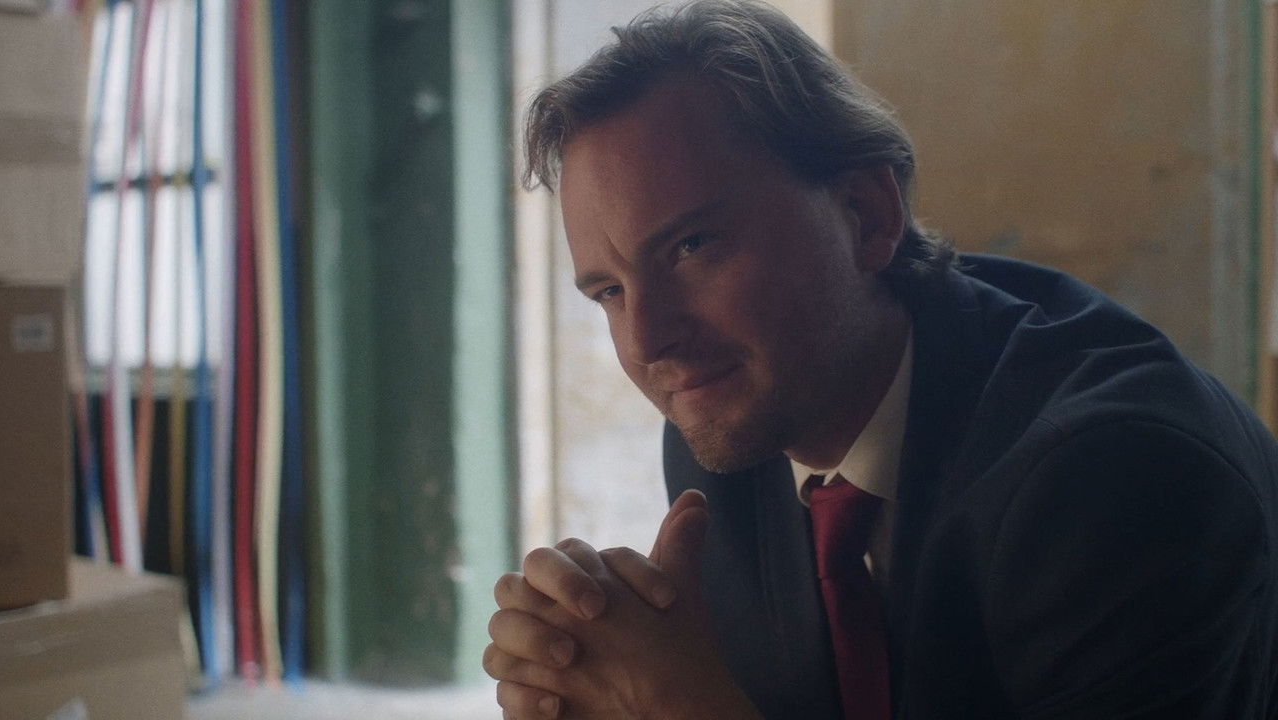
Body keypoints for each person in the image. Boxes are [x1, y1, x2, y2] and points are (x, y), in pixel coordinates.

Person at [482, 1, 1278, 718]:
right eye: (609, 292)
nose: (648, 341)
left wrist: (675, 704)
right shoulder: (730, 431)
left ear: (867, 215)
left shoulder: (1116, 473)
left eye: (692, 247)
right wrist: (588, 677)